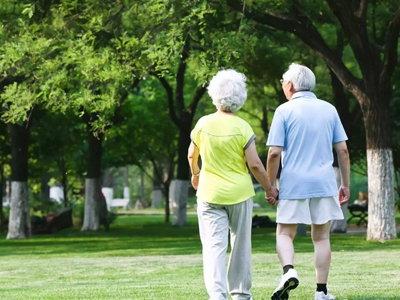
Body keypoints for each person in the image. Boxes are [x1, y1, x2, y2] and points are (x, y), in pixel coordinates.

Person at [188, 69, 278, 300]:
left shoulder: (203, 124)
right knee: (240, 246)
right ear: (240, 97)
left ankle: (217, 295)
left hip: (209, 194)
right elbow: (256, 165)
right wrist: (269, 188)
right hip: (239, 194)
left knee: (213, 247)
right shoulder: (243, 127)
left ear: (214, 95)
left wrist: (196, 174)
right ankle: (239, 294)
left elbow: (191, 155)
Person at [266, 63, 350, 300]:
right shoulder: (329, 109)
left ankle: (288, 270)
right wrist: (344, 185)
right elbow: (342, 150)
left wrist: (270, 185)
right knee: (321, 237)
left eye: (283, 82)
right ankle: (321, 292)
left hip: (293, 183)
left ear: (290, 85)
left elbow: (273, 153)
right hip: (324, 183)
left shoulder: (284, 111)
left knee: (284, 234)